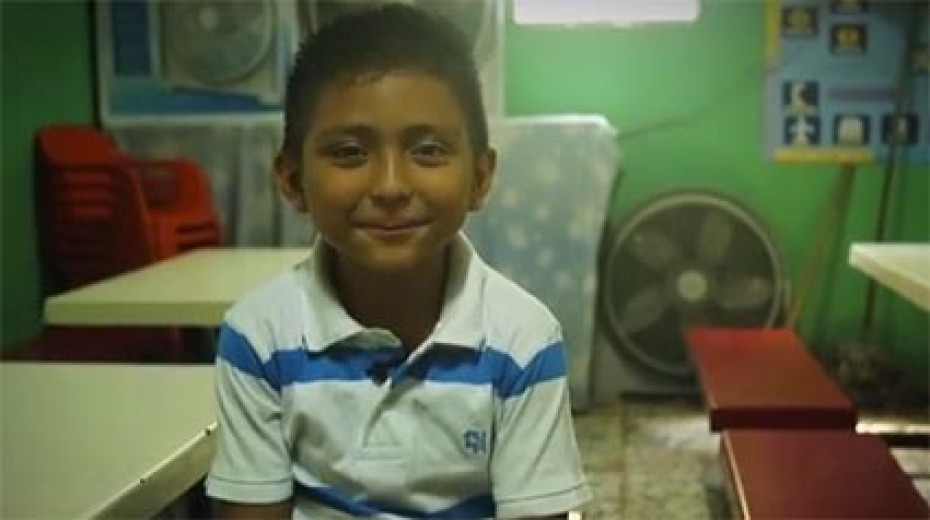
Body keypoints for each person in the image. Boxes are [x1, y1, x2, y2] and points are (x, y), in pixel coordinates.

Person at [205, 4, 592, 519]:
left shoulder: (524, 341)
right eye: (348, 152)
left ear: (479, 178)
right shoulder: (258, 336)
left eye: (428, 151)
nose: (390, 186)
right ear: (293, 181)